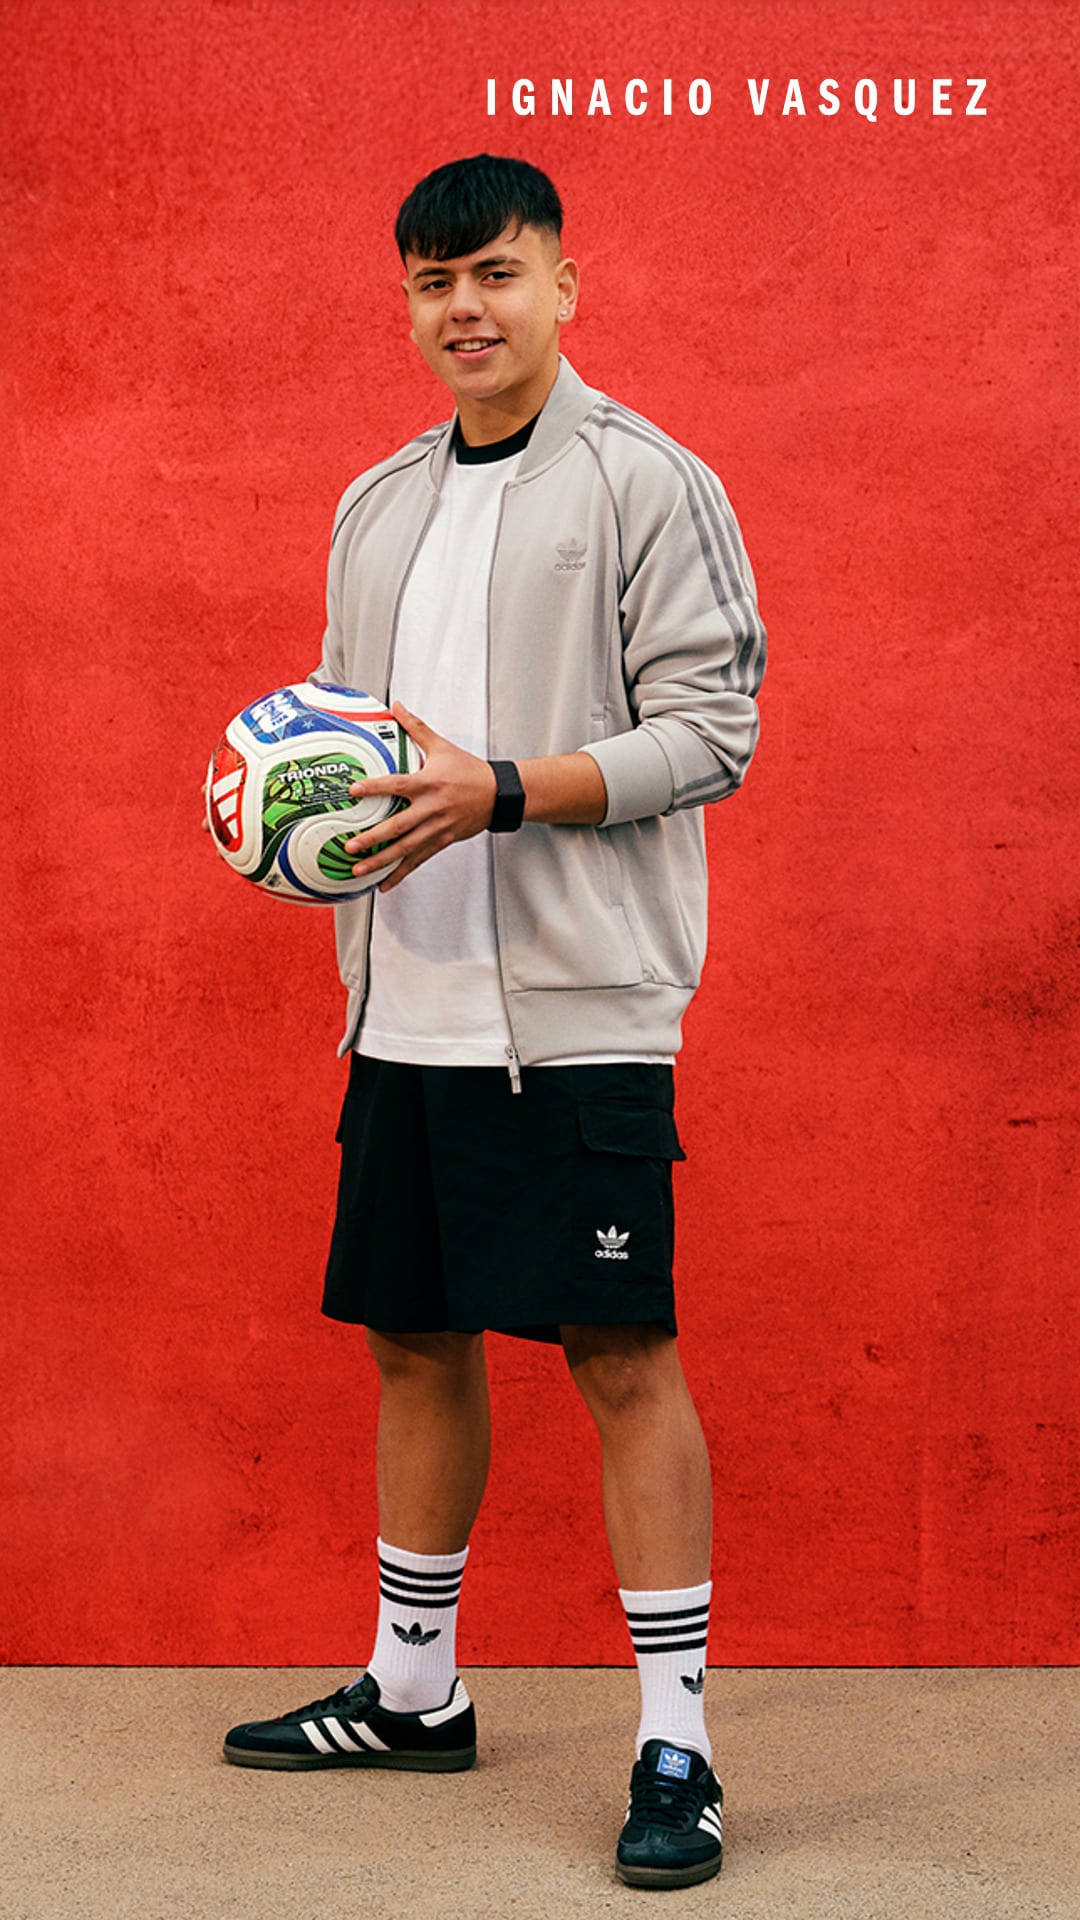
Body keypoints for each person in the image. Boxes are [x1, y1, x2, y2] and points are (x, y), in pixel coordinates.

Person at [222, 153, 765, 1891]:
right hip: (404, 1006)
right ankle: (414, 1688)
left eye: (497, 275)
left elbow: (712, 732)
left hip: (581, 1014)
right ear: (406, 304)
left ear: (564, 286)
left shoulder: (647, 482)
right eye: (432, 284)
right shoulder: (377, 502)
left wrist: (505, 791)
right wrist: (287, 824)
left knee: (617, 1358)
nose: (464, 309)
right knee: (408, 1340)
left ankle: (676, 1742)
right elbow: (341, 731)